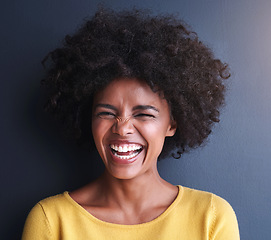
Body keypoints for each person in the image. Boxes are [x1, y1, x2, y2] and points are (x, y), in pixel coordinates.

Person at [22, 8, 240, 239]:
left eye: (143, 114)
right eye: (106, 113)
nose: (122, 128)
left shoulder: (211, 217)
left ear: (172, 123)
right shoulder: (52, 220)